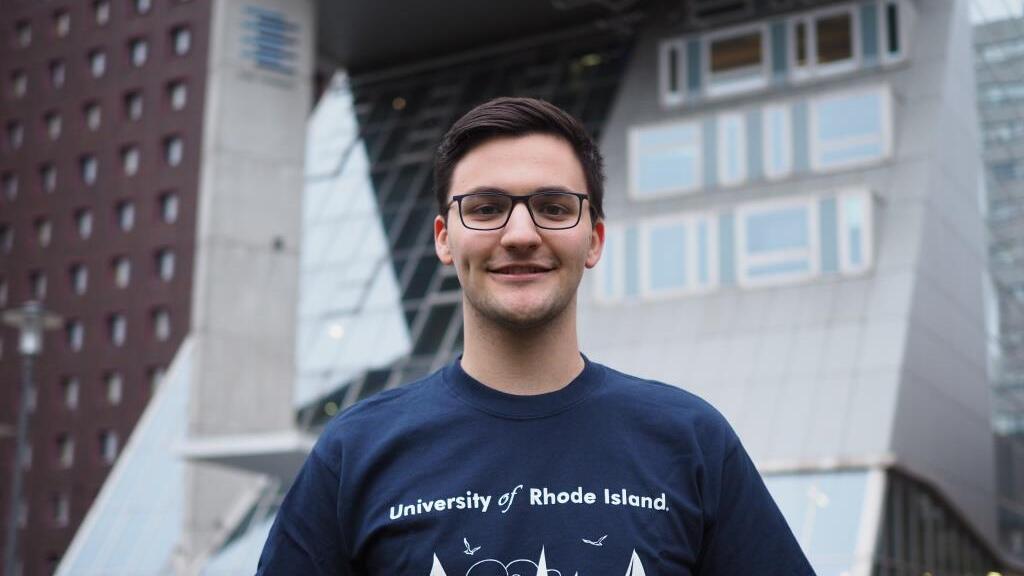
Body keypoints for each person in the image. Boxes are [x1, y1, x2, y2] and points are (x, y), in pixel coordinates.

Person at [256, 97, 814, 575]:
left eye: (553, 207)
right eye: (486, 208)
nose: (520, 234)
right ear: (445, 238)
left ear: (593, 239)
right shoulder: (356, 452)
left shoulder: (690, 441)